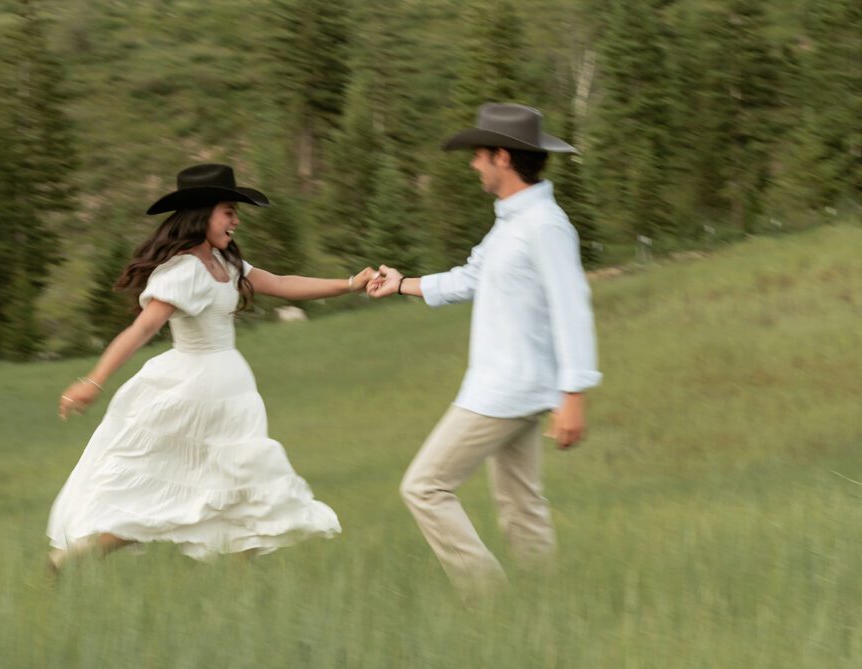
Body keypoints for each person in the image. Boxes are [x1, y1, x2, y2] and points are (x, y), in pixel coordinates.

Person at [47, 163, 373, 571]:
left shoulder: (227, 264)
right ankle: (69, 558)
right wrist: (93, 381)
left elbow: (283, 283)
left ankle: (72, 561)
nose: (236, 219)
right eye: (227, 210)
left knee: (238, 489)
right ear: (201, 215)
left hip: (231, 391)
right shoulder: (183, 271)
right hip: (193, 391)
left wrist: (349, 284)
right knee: (174, 497)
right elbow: (142, 328)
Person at [368, 103, 602, 596]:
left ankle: (488, 598)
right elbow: (471, 277)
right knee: (521, 505)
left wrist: (575, 394)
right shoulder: (512, 223)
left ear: (501, 156)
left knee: (424, 487)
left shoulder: (545, 225)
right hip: (513, 387)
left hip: (504, 389)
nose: (473, 165)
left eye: (478, 155)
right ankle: (542, 607)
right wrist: (403, 283)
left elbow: (572, 306)